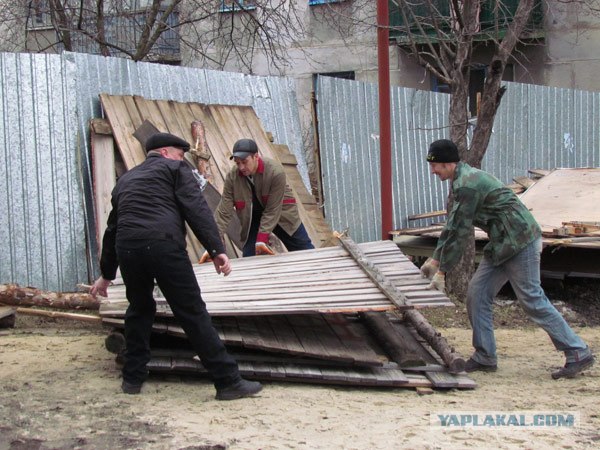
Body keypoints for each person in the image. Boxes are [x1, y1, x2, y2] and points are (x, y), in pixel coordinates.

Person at [90, 132, 263, 400]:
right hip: (163, 245)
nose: (184, 159)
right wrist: (217, 250)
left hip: (129, 248)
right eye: (182, 155)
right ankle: (228, 381)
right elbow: (195, 208)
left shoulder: (125, 179)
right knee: (191, 311)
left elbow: (112, 230)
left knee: (139, 309)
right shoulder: (175, 168)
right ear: (167, 153)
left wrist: (106, 274)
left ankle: (132, 379)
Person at [421, 139, 594, 379]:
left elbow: (461, 231)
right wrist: (436, 260)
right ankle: (485, 356)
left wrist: (443, 271)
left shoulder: (469, 185)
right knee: (477, 294)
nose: (432, 171)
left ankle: (577, 351)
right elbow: (453, 224)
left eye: (435, 165)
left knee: (532, 299)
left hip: (520, 241)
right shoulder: (462, 181)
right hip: (502, 244)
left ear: (449, 163)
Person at [205, 138, 314, 259]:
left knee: (306, 252)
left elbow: (273, 210)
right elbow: (223, 212)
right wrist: (213, 244)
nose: (241, 167)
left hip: (282, 214)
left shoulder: (275, 172)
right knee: (249, 258)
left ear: (256, 156)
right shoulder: (232, 177)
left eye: (244, 162)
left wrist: (262, 239)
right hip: (253, 218)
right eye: (237, 163)